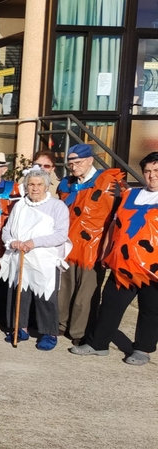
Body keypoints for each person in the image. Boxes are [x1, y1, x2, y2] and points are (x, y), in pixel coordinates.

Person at [70, 152, 158, 366]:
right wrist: (105, 251)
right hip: (124, 263)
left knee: (150, 309)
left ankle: (143, 348)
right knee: (110, 303)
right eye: (147, 171)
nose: (151, 175)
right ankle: (98, 344)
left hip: (153, 268)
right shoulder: (130, 194)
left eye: (156, 171)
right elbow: (113, 224)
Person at [56, 144, 125, 345]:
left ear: (90, 160)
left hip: (94, 245)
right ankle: (60, 323)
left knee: (86, 294)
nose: (73, 167)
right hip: (68, 244)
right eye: (70, 164)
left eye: (78, 162)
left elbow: (118, 216)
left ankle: (80, 331)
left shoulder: (109, 182)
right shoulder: (66, 184)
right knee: (64, 288)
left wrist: (109, 247)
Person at [0, 167, 71, 351]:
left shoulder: (57, 206)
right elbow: (6, 231)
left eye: (39, 184)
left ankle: (48, 332)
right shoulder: (20, 206)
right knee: (19, 293)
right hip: (20, 256)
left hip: (45, 259)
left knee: (45, 296)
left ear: (46, 186)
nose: (35, 188)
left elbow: (61, 235)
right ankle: (20, 328)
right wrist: (12, 242)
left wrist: (34, 242)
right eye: (31, 184)